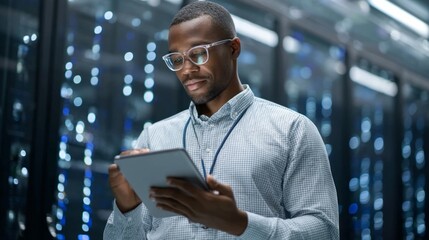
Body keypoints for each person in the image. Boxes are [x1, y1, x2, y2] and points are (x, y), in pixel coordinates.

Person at [104, 1, 339, 239]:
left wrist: (239, 223)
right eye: (177, 59)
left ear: (233, 49)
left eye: (198, 53)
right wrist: (127, 208)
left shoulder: (292, 130)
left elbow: (324, 231)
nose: (186, 70)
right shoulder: (154, 137)